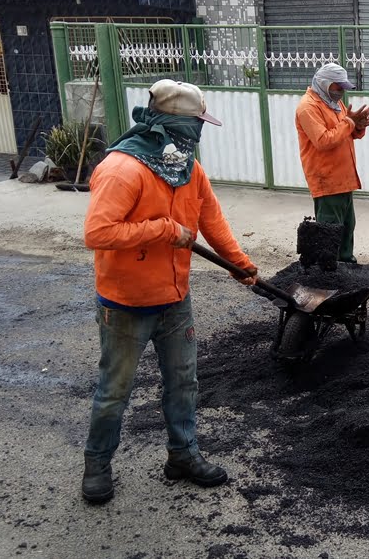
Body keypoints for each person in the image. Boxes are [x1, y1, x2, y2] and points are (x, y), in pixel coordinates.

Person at [81, 79, 259, 503]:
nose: (199, 132)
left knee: (183, 382)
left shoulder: (186, 167)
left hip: (176, 297)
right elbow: (97, 232)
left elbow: (211, 220)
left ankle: (183, 454)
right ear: (177, 122)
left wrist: (240, 265)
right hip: (126, 303)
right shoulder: (123, 168)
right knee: (115, 392)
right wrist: (162, 230)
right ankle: (97, 465)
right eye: (197, 122)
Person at [295, 63, 369, 263]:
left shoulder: (333, 103)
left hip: (343, 179)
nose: (341, 92)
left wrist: (357, 127)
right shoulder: (308, 107)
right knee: (330, 233)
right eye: (338, 87)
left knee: (347, 227)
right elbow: (323, 141)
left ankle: (346, 265)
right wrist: (349, 123)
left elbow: (343, 132)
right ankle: (328, 274)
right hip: (327, 181)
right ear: (324, 83)